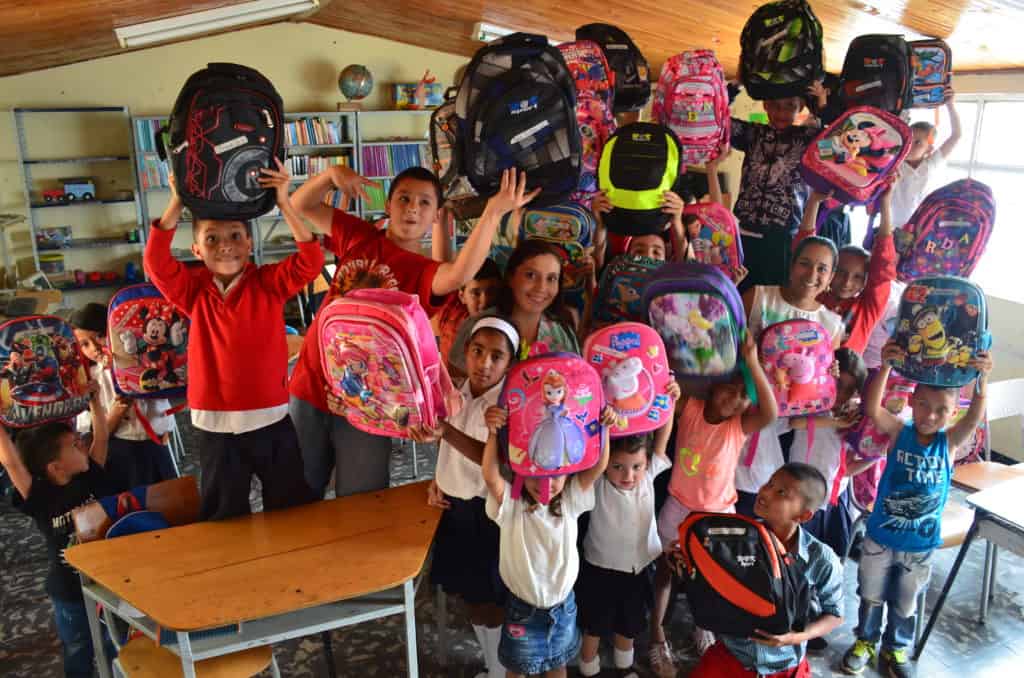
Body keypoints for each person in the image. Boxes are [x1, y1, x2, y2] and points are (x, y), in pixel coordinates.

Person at [289, 165, 537, 499]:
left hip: (369, 403)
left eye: (424, 203)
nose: (412, 208)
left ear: (436, 215)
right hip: (310, 383)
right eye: (404, 199)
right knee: (298, 492)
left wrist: (493, 213)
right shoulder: (358, 235)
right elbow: (302, 204)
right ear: (388, 205)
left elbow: (462, 272)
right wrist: (330, 175)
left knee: (362, 499)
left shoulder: (425, 274)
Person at [144, 159, 320, 520]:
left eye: (236, 236)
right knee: (225, 518)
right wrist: (177, 200)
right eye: (211, 239)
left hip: (271, 419)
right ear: (196, 251)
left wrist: (284, 202)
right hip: (215, 427)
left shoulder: (269, 283)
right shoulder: (192, 290)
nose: (226, 246)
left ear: (251, 243)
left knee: (290, 512)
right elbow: (156, 262)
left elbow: (311, 261)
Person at [841, 340, 993, 678]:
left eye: (941, 410)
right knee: (871, 593)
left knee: (905, 603)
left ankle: (895, 648)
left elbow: (974, 417)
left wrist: (981, 381)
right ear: (911, 402)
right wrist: (885, 368)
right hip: (880, 534)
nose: (930, 415)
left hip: (920, 544)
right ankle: (865, 640)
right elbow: (872, 408)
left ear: (952, 413)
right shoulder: (899, 431)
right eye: (923, 405)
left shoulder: (949, 441)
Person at [649, 332, 778, 675]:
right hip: (678, 507)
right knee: (665, 571)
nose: (735, 400)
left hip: (719, 516)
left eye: (742, 397)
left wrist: (752, 362)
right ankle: (657, 634)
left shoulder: (739, 425)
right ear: (713, 384)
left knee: (712, 578)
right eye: (730, 388)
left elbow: (771, 411)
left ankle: (702, 626)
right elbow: (664, 394)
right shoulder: (690, 408)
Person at [481, 400, 614, 678]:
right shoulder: (512, 504)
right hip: (522, 610)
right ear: (520, 471)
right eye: (536, 475)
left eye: (554, 476)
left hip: (563, 608)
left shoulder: (570, 500)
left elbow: (598, 466)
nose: (545, 484)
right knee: (516, 669)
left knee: (557, 664)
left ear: (568, 474)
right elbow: (490, 475)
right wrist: (493, 433)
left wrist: (605, 429)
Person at [421, 317, 519, 678]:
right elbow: (446, 451)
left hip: (485, 516)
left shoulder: (504, 408)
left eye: (497, 356)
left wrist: (444, 430)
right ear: (466, 353)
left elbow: (488, 458)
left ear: (510, 365)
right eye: (478, 352)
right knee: (470, 598)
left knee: (491, 600)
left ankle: (499, 670)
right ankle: (494, 666)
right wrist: (437, 481)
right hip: (455, 509)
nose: (485, 363)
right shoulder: (457, 393)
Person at [685, 463, 845, 678]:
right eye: (770, 483)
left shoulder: (821, 558)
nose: (765, 491)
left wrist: (794, 638)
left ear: (804, 516)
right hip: (733, 655)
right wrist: (687, 557)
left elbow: (835, 615)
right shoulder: (735, 540)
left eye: (781, 492)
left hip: (785, 664)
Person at [1, 384, 117, 678]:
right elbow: (11, 462)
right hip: (69, 593)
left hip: (108, 581)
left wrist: (94, 398)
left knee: (114, 644)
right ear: (55, 467)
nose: (83, 444)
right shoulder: (40, 496)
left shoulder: (91, 475)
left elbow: (101, 434)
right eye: (75, 444)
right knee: (78, 648)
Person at [576, 379, 682, 678]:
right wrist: (606, 428)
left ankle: (625, 670)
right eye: (618, 467)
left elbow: (662, 437)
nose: (628, 475)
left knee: (630, 626)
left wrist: (669, 402)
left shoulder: (648, 477)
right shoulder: (596, 483)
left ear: (646, 463)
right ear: (606, 465)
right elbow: (593, 451)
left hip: (639, 569)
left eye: (636, 466)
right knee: (593, 627)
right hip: (600, 569)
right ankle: (589, 671)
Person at [735, 235, 845, 514]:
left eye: (822, 268)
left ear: (831, 276)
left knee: (775, 498)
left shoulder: (832, 323)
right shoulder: (759, 296)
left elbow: (823, 377)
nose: (812, 274)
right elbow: (728, 346)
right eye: (805, 263)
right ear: (792, 264)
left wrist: (833, 372)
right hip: (750, 413)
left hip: (794, 425)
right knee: (742, 493)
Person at [730, 85, 827, 291]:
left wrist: (818, 103)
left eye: (790, 106)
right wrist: (734, 86)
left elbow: (835, 131)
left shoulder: (808, 139)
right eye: (774, 105)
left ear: (800, 107)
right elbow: (721, 123)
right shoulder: (753, 134)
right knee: (736, 292)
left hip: (782, 239)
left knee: (770, 298)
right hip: (743, 234)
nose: (781, 113)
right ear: (765, 105)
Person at [71, 303, 177, 489]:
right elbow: (91, 436)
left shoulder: (144, 361)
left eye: (100, 336)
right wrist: (116, 413)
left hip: (155, 446)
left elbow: (164, 403)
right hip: (119, 452)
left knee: (169, 504)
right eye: (85, 344)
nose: (95, 348)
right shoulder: (90, 380)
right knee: (131, 506)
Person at [794, 187, 897, 354]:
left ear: (865, 280)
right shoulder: (814, 296)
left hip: (843, 378)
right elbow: (803, 250)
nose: (847, 282)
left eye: (857, 277)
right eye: (841, 272)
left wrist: (885, 203)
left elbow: (883, 267)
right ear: (831, 272)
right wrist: (813, 202)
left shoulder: (866, 309)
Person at [791, 347, 868, 558]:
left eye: (850, 389)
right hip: (802, 495)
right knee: (798, 559)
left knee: (831, 559)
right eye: (838, 384)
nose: (841, 394)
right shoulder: (813, 406)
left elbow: (847, 469)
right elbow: (795, 422)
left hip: (832, 502)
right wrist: (836, 421)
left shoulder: (851, 420)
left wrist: (874, 456)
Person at [890, 86, 961, 228]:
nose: (910, 146)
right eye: (908, 140)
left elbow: (956, 136)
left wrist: (950, 105)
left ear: (929, 149)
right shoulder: (895, 161)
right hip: (894, 227)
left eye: (917, 143)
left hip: (923, 228)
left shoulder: (931, 164)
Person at [433, 258, 502, 379]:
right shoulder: (451, 312)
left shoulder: (505, 330)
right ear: (462, 296)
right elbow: (440, 267)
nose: (485, 301)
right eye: (475, 293)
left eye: (492, 291)